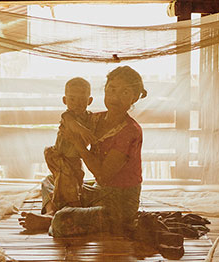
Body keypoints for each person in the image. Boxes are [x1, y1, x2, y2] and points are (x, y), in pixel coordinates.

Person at [19, 66, 148, 237]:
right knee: (50, 180)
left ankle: (54, 218)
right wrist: (69, 122)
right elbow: (68, 116)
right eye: (112, 89)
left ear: (134, 98)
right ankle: (52, 212)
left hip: (119, 203)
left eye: (124, 93)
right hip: (100, 190)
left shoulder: (130, 131)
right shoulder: (96, 119)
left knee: (62, 221)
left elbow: (103, 176)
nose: (115, 97)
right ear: (105, 90)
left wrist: (77, 143)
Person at [42, 77, 95, 216]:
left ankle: (63, 211)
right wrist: (83, 130)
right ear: (65, 100)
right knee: (66, 185)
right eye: (72, 99)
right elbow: (73, 125)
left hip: (74, 160)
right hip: (60, 157)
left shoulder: (90, 117)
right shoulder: (67, 116)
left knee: (71, 183)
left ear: (89, 101)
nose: (77, 103)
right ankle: (54, 212)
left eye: (82, 100)